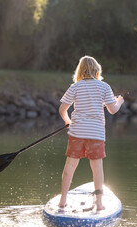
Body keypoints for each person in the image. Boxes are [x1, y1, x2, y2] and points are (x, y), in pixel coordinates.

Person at [58, 56, 124, 211]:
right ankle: (99, 203)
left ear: (79, 71)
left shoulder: (75, 87)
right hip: (95, 133)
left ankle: (62, 201)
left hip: (77, 131)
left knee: (70, 165)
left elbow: (62, 110)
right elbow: (112, 110)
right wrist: (119, 102)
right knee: (97, 168)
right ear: (97, 70)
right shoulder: (104, 87)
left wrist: (68, 121)